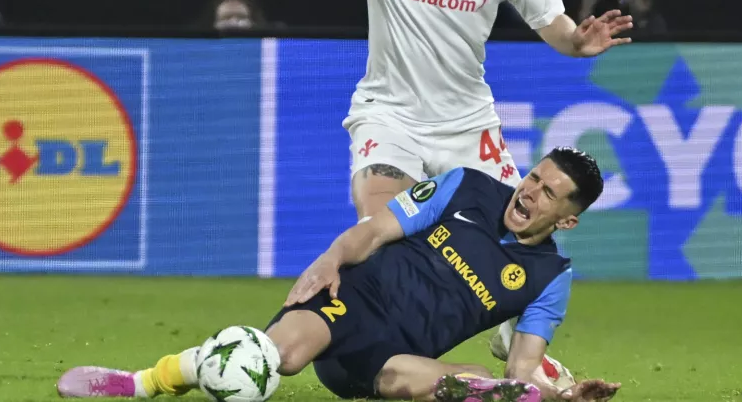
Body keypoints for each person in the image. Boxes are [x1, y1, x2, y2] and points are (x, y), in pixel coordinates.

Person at [224, 0, 633, 360]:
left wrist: (579, 43)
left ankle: (519, 352)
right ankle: (364, 348)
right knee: (380, 230)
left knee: (525, 243)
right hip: (389, 116)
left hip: (468, 127)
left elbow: (554, 26)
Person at [56, 148, 622, 402]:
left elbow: (522, 369)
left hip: (395, 361)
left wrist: (559, 394)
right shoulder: (466, 187)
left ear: (567, 219)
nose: (529, 191)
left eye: (548, 193)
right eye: (533, 177)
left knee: (479, 380)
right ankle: (144, 381)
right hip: (349, 299)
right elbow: (373, 232)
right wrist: (329, 260)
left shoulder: (552, 276)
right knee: (275, 357)